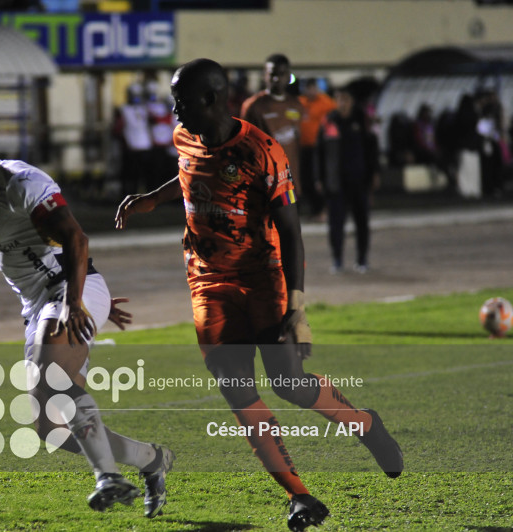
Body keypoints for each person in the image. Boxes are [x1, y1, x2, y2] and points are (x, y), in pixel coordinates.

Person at [115, 58, 402, 531]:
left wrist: (298, 309)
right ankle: (300, 497)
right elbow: (189, 174)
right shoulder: (184, 136)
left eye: (181, 100)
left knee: (288, 384)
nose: (174, 109)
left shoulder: (260, 151)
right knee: (237, 390)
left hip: (263, 278)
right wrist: (153, 198)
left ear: (211, 99)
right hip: (208, 282)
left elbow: (291, 232)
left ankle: (366, 424)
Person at [0, 93, 174, 518]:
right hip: (44, 304)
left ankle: (108, 478)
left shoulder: (21, 183)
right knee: (50, 427)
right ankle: (152, 459)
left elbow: (77, 239)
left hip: (67, 294)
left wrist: (81, 301)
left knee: (53, 379)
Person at [317, 86, 380, 274]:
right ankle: (337, 259)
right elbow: (319, 153)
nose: (342, 103)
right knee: (336, 223)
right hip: (336, 183)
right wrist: (319, 178)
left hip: (359, 181)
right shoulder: (329, 122)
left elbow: (372, 150)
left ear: (352, 101)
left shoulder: (362, 121)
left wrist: (374, 173)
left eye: (346, 99)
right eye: (339, 99)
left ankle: (362, 259)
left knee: (362, 222)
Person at [240, 54, 305, 200]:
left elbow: (297, 144)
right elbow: (244, 144)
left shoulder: (296, 105)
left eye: (281, 74)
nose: (276, 79)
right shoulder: (253, 106)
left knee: (291, 221)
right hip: (265, 181)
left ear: (288, 76)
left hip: (290, 181)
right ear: (265, 76)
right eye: (272, 74)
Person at [298, 79, 336, 220]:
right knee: (305, 180)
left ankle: (323, 209)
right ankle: (316, 210)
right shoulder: (300, 103)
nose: (310, 91)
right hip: (303, 148)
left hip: (319, 148)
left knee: (318, 179)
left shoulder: (326, 103)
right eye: (307, 88)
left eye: (312, 88)